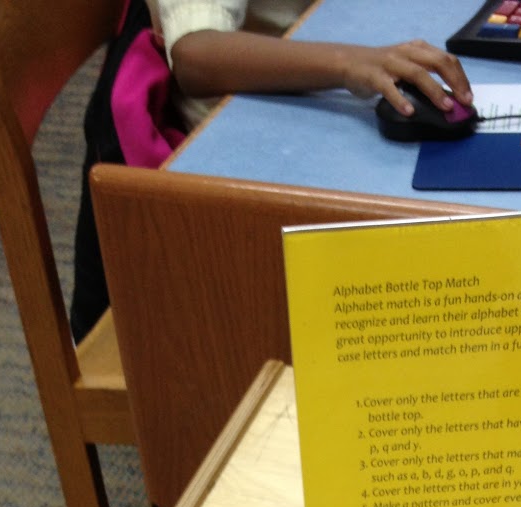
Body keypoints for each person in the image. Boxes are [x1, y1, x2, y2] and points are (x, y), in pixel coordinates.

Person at [69, 0, 473, 341]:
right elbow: (195, 52)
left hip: (301, 123)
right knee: (435, 255)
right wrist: (350, 62)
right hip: (222, 199)